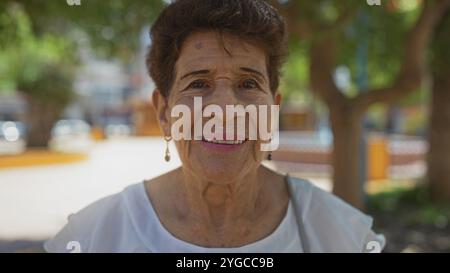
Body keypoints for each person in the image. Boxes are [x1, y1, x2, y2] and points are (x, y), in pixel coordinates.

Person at [44, 0, 385, 253]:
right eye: (198, 84)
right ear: (164, 112)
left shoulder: (343, 236)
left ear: (273, 110)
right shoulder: (94, 237)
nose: (225, 110)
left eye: (249, 84)